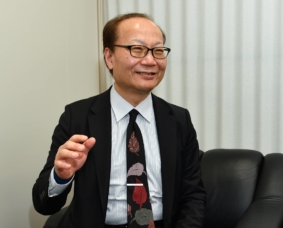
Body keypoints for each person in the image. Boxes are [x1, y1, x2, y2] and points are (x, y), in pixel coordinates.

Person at [33, 13, 206, 228]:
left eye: (158, 50)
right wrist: (59, 177)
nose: (151, 60)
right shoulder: (77, 116)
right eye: (137, 49)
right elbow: (44, 205)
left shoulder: (179, 120)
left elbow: (193, 196)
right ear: (109, 57)